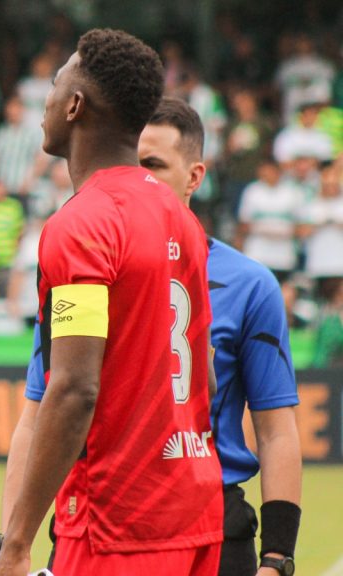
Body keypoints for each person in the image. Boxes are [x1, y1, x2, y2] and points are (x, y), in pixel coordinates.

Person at [0, 29, 222, 576]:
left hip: (117, 524)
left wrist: (18, 541)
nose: (43, 100)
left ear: (74, 106)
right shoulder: (179, 217)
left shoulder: (84, 222)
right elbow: (204, 373)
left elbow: (73, 388)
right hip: (194, 509)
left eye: (52, 85)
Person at [140, 97, 301, 576]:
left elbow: (276, 431)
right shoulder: (84, 269)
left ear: (194, 177)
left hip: (213, 522)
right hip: (103, 519)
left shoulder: (249, 283)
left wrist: (277, 559)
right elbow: (41, 411)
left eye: (154, 165)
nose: (139, 180)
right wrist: (14, 538)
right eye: (129, 166)